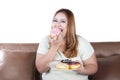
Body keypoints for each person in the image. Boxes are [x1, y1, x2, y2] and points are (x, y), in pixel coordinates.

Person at [35, 8, 98, 80]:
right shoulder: (45, 41)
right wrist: (54, 47)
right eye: (55, 21)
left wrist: (82, 70)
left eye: (63, 21)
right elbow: (41, 69)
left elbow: (93, 66)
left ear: (70, 26)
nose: (57, 24)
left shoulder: (81, 42)